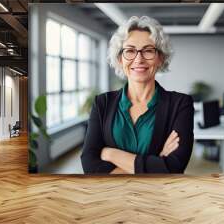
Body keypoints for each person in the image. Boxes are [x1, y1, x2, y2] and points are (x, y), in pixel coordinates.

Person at [81, 16, 194, 174]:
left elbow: (173, 167)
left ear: (160, 58)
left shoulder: (180, 104)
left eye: (148, 51)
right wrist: (156, 163)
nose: (139, 59)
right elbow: (89, 165)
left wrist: (110, 153)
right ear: (120, 59)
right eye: (130, 51)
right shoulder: (102, 103)